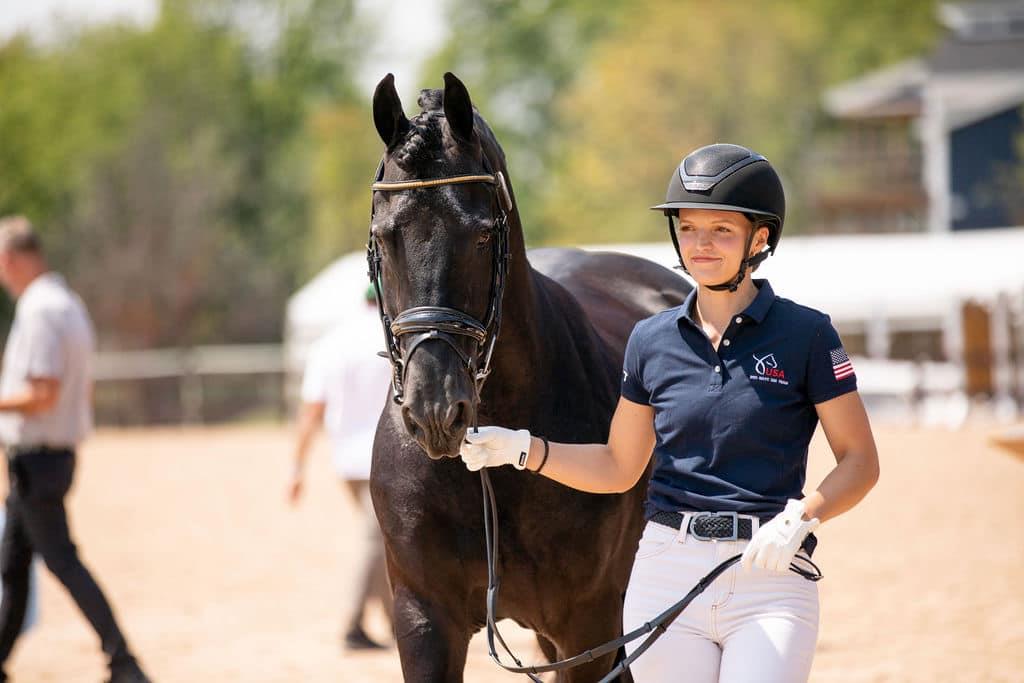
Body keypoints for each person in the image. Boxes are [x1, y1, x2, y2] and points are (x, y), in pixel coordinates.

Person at [459, 144, 880, 683]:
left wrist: (803, 517)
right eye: (688, 228)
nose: (700, 245)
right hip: (665, 571)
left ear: (761, 239)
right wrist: (523, 449)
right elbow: (618, 465)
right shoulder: (650, 340)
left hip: (769, 571)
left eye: (721, 230)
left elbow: (860, 460)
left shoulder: (807, 335)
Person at [0, 216, 150, 683]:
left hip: (37, 457)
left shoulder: (40, 309)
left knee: (61, 561)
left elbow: (43, 392)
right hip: (50, 455)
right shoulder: (68, 304)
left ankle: (122, 659)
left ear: (11, 260)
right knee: (15, 563)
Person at [287, 286, 394, 651]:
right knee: (376, 541)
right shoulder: (393, 335)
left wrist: (297, 467)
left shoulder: (328, 344)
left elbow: (311, 410)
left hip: (346, 461)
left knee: (382, 539)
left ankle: (397, 623)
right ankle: (353, 623)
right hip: (387, 458)